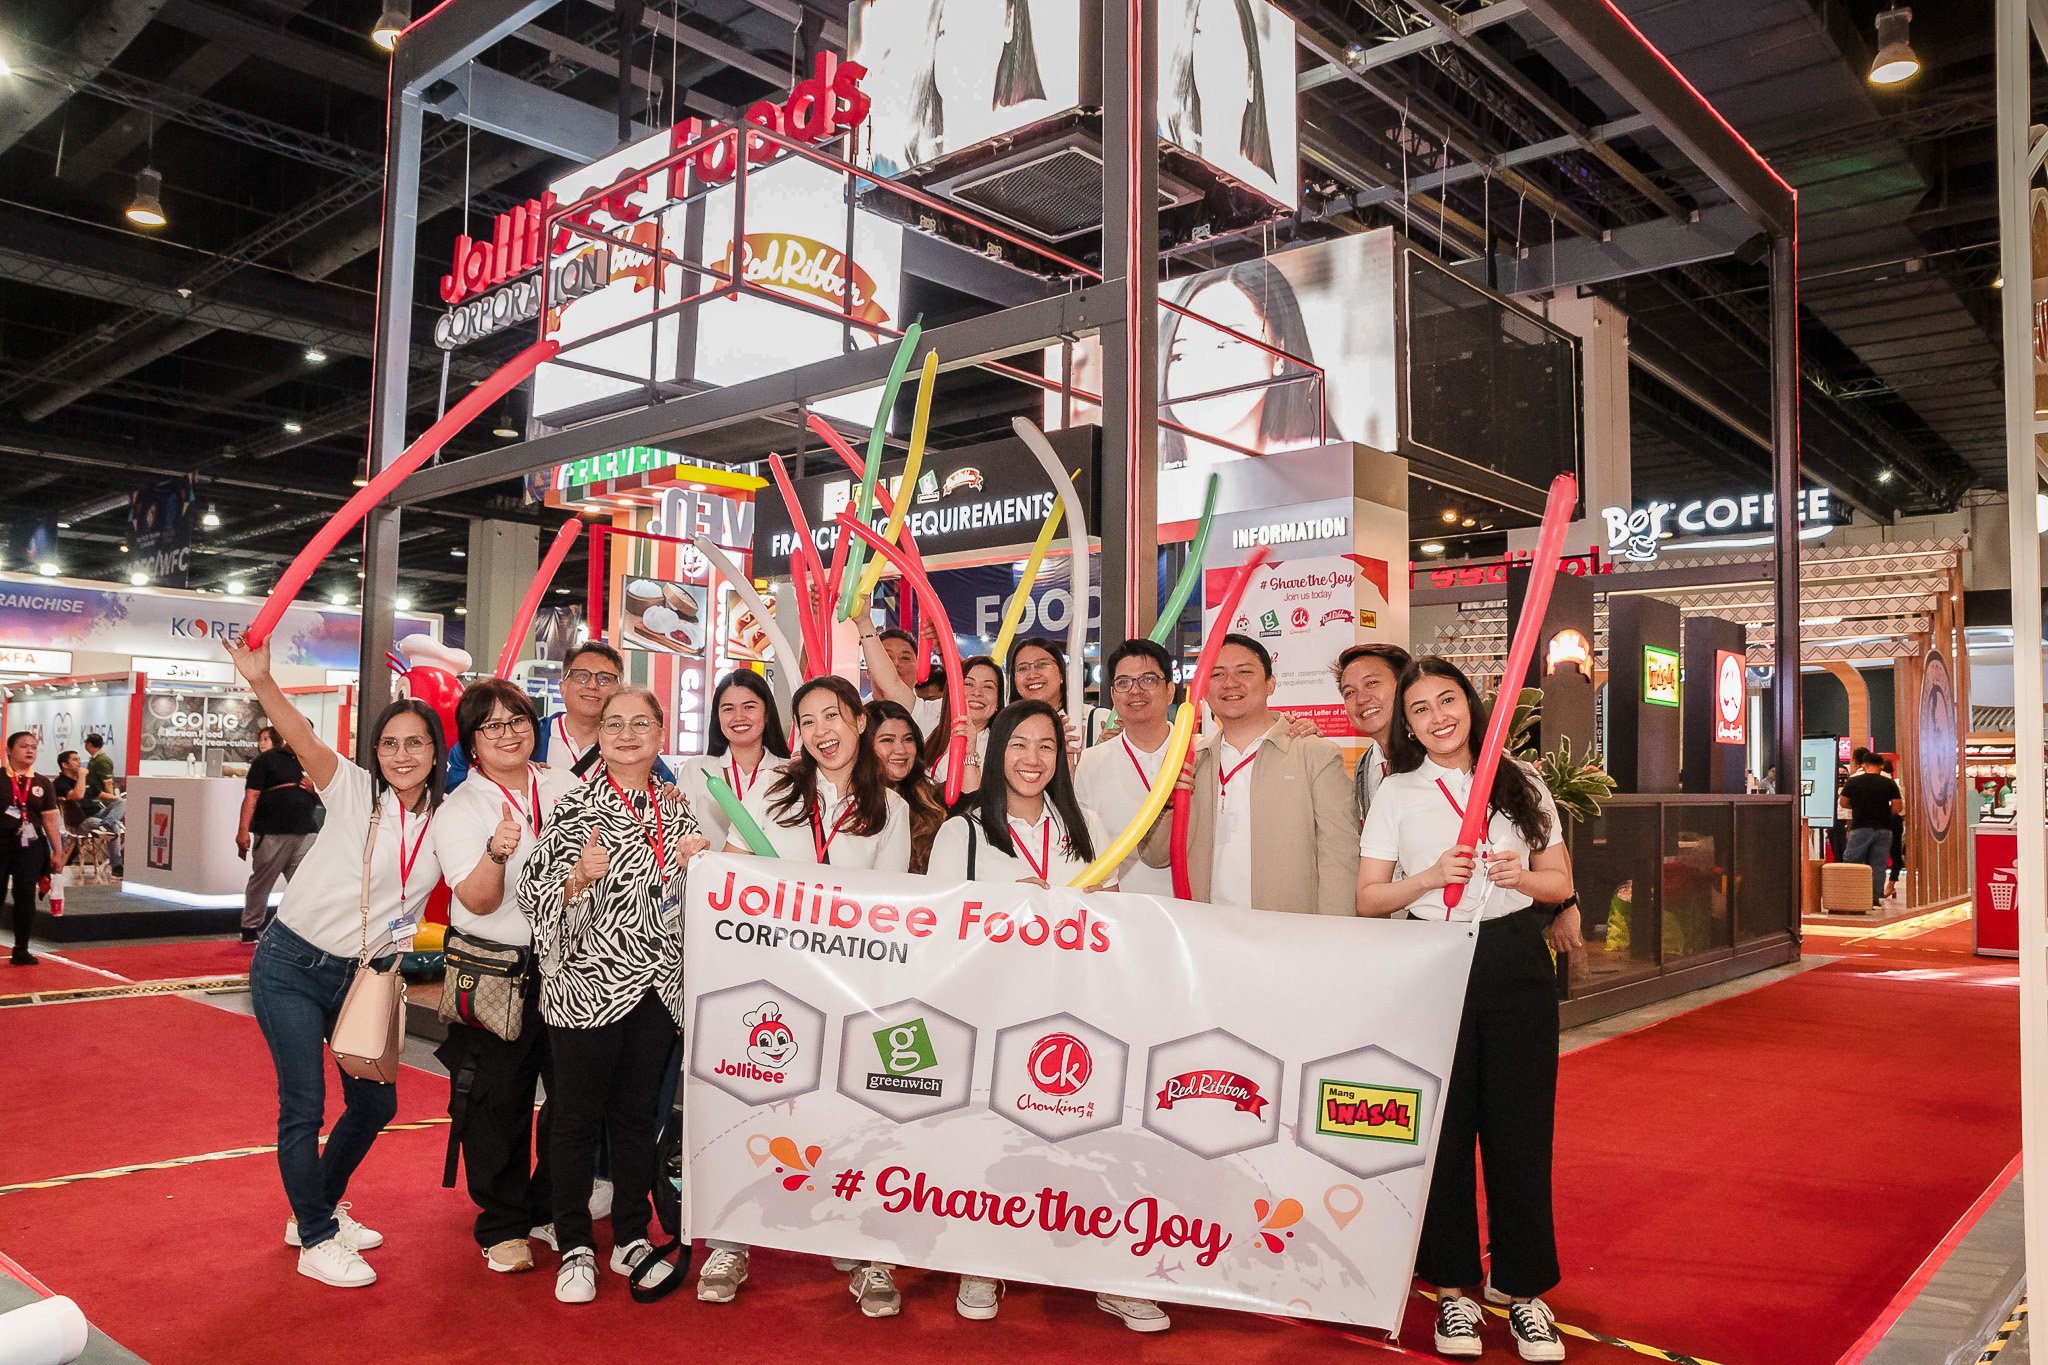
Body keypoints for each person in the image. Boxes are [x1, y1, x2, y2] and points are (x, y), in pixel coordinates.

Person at [1356, 656, 1577, 1363]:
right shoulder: (1397, 794)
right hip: (1431, 960)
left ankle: (1524, 1292)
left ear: (1472, 706)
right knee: (1444, 1134)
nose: (1436, 717)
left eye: (1446, 700)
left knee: (1520, 1130)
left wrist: (1526, 877)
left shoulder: (1522, 780)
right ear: (1409, 725)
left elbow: (1560, 880)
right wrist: (1428, 875)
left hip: (1514, 962)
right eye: (1419, 709)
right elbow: (1370, 896)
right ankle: (1455, 1291)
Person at [924, 699, 1168, 1333]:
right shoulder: (965, 831)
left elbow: (1113, 910)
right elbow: (942, 923)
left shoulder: (1082, 821)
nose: (1032, 760)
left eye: (1046, 748)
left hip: (1079, 1012)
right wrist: (1011, 904)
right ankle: (983, 1258)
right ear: (995, 750)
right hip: (994, 1011)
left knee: (1087, 1145)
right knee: (991, 1138)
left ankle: (1104, 1272)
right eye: (1018, 745)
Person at [224, 634, 447, 1290]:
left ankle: (312, 1207)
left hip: (365, 979)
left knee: (376, 1102)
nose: (401, 754)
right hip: (290, 963)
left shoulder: (447, 819)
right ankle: (317, 1236)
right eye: (389, 743)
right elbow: (296, 731)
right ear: (375, 751)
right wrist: (263, 680)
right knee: (304, 1101)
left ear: (435, 752)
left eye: (415, 742)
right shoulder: (352, 789)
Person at [703, 675, 913, 1317]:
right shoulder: (774, 791)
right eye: (809, 719)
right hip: (775, 985)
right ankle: (730, 1240)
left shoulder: (892, 809)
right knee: (753, 1110)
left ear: (857, 720)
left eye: (833, 715)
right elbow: (742, 871)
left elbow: (891, 904)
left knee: (865, 1119)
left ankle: (875, 1253)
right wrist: (715, 860)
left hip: (854, 984)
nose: (822, 730)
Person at [520, 686, 707, 1305]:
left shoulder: (677, 809)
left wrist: (699, 867)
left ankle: (630, 1232)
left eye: (641, 724)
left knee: (635, 1118)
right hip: (586, 988)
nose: (627, 734)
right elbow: (530, 895)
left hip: (659, 991)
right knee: (574, 1117)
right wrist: (575, 879)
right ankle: (573, 1241)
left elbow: (695, 900)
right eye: (614, 724)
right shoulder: (574, 808)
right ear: (599, 737)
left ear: (659, 735)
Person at [434, 679, 579, 1276]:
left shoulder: (565, 786)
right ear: (471, 743)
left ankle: (546, 1204)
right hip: (498, 968)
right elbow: (475, 898)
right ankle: (501, 1222)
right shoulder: (460, 808)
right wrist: (496, 853)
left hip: (572, 964)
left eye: (519, 718)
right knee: (498, 1099)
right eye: (492, 725)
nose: (510, 731)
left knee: (572, 1098)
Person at [1137, 635, 1356, 914]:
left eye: (1244, 671)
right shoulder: (1191, 761)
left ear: (1270, 684)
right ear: (1203, 689)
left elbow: (1340, 859)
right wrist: (1166, 805)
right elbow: (1155, 857)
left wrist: (1334, 938)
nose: (1230, 683)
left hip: (1288, 935)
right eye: (1217, 674)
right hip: (1209, 933)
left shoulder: (1315, 755)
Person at [1073, 639, 1179, 895]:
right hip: (1120, 911)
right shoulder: (1090, 762)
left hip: (1192, 911)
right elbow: (1081, 845)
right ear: (1112, 695)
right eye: (1123, 682)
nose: (1135, 690)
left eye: (1148, 680)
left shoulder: (1198, 753)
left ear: (1170, 691)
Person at [679, 671, 790, 853]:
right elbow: (680, 833)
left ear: (767, 713)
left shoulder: (789, 772)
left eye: (749, 707)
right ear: (718, 717)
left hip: (770, 880)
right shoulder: (697, 769)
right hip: (713, 879)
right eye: (728, 709)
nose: (739, 717)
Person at [238, 726, 321, 944]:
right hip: (272, 831)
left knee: (305, 884)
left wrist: (314, 790)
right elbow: (251, 796)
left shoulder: (314, 762)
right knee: (262, 881)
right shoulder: (266, 761)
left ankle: (302, 929)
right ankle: (251, 927)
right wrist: (242, 831)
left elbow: (329, 797)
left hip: (306, 832)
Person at [1335, 643, 1411, 826]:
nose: (1361, 699)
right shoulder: (1365, 765)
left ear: (1405, 685)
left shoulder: (1435, 754)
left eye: (1372, 683)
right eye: (1349, 692)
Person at [866, 700, 946, 873]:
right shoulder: (851, 801)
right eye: (887, 740)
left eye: (908, 739)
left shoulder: (935, 800)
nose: (901, 750)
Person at [2, 732, 62, 966]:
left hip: (31, 847)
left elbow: (49, 821)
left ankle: (21, 949)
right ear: (8, 750)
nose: (29, 751)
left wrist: (57, 851)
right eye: (23, 746)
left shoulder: (42, 782)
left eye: (34, 747)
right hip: (1, 844)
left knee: (25, 896)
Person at [1007, 637, 1117, 751]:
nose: (1032, 675)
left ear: (1061, 673)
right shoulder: (1006, 728)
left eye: (1041, 665)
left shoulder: (1097, 720)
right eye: (1023, 668)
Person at [540, 642, 626, 777]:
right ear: (562, 688)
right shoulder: (530, 737)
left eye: (604, 679)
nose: (592, 685)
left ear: (619, 692)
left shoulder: (631, 743)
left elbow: (665, 784)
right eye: (581, 676)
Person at [1841, 748, 1902, 905]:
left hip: (1861, 826)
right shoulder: (1889, 783)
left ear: (1864, 765)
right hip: (1884, 829)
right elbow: (1897, 807)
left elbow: (1843, 802)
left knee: (1851, 860)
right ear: (1881, 766)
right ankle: (1873, 899)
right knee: (1878, 865)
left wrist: (1858, 806)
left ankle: (1851, 897)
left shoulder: (1854, 781)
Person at [82, 732, 122, 875]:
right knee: (114, 826)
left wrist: (110, 799)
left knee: (121, 804)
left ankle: (108, 823)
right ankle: (117, 864)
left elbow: (107, 783)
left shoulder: (102, 761)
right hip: (87, 813)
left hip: (99, 802)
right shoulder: (94, 760)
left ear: (89, 744)